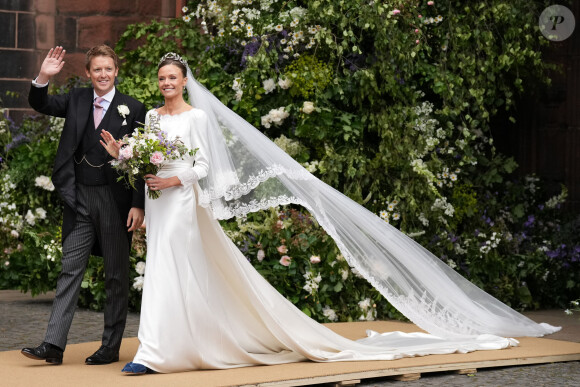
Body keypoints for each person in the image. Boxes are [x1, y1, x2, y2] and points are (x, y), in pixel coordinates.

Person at [101, 53, 559, 375]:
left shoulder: (197, 119)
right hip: (159, 203)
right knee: (159, 269)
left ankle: (159, 351)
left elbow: (202, 167)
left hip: (181, 201)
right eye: (161, 78)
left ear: (184, 81)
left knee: (177, 268)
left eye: (172, 78)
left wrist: (174, 181)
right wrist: (125, 158)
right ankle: (165, 345)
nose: (166, 84)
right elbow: (149, 162)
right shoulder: (153, 120)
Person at [21, 45, 146, 366]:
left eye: (108, 69)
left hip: (114, 200)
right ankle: (53, 343)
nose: (103, 75)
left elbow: (144, 163)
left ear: (116, 71)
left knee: (116, 275)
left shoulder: (133, 109)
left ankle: (110, 346)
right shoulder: (77, 99)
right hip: (79, 199)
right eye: (96, 70)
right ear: (88, 73)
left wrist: (138, 204)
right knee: (70, 269)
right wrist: (43, 77)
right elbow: (42, 103)